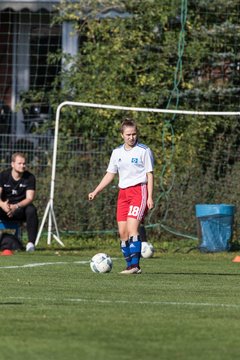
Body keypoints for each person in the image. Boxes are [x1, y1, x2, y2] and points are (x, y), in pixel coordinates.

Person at [88, 118, 154, 274]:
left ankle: (135, 266)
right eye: (128, 135)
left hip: (139, 191)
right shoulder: (116, 152)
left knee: (133, 229)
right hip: (123, 194)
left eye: (134, 134)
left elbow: (150, 175)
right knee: (123, 233)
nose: (132, 137)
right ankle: (129, 265)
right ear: (122, 135)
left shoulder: (144, 150)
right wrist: (96, 191)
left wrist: (150, 197)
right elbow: (110, 174)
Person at [0, 152, 38, 252]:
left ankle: (31, 244)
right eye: (19, 163)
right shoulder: (3, 176)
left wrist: (16, 206)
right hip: (4, 209)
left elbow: (30, 198)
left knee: (31, 209)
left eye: (24, 163)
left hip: (19, 209)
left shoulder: (30, 177)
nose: (22, 166)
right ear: (12, 164)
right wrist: (3, 205)